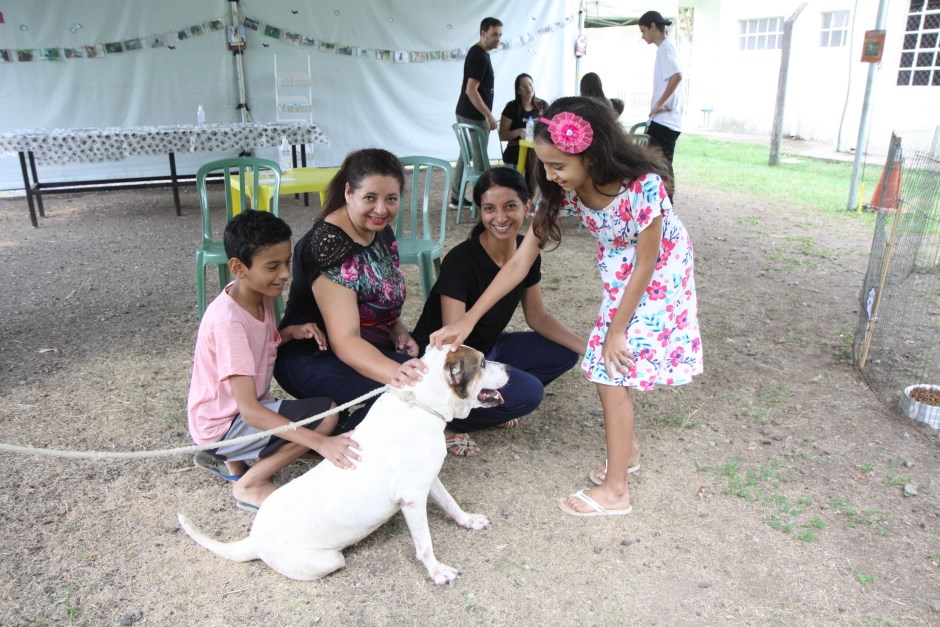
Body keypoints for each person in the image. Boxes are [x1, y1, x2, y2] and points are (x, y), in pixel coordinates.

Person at [430, 97, 702, 516]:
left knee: (610, 367)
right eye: (546, 165)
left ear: (591, 156)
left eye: (559, 166)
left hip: (660, 273)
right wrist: (469, 318)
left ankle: (616, 492)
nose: (551, 175)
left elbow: (648, 262)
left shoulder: (642, 186)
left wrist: (616, 330)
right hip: (620, 270)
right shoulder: (560, 192)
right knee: (603, 363)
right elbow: (520, 261)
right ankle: (625, 452)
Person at [187, 209, 361, 512]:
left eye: (286, 262)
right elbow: (251, 412)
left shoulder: (258, 294)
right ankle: (249, 485)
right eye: (272, 266)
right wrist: (320, 443)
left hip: (230, 416)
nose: (284, 273)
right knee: (327, 415)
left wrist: (290, 332)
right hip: (224, 427)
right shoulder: (230, 323)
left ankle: (236, 466)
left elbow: (259, 345)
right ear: (239, 268)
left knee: (314, 418)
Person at [411, 167, 583, 456]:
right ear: (480, 212)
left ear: (528, 206)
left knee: (564, 352)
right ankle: (450, 426)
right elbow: (456, 352)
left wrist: (590, 349)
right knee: (529, 394)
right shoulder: (462, 260)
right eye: (489, 209)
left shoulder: (527, 254)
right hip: (454, 365)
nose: (500, 218)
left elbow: (538, 317)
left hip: (490, 348)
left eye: (510, 206)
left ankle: (486, 403)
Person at [274, 148, 427, 432]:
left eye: (391, 199)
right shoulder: (328, 245)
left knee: (424, 391)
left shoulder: (380, 229)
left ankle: (339, 427)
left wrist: (398, 331)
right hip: (312, 359)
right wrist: (397, 373)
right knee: (418, 393)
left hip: (363, 349)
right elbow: (344, 341)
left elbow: (380, 296)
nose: (381, 209)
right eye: (370, 197)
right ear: (348, 192)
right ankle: (329, 435)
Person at [450, 17, 503, 208]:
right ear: (483, 33)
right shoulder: (479, 56)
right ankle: (484, 202)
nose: (498, 38)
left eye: (500, 34)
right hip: (472, 116)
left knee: (466, 155)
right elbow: (471, 90)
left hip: (467, 113)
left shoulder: (480, 54)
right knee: (480, 161)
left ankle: (456, 197)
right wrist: (488, 115)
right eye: (494, 34)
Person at [639, 10, 684, 181]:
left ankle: (667, 205)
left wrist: (659, 103)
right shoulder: (666, 48)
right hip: (665, 120)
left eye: (644, 31)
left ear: (653, 26)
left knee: (659, 167)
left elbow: (677, 76)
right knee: (657, 166)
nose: (643, 37)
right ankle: (663, 204)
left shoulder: (665, 48)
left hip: (664, 121)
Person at [498, 73, 548, 169]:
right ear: (518, 91)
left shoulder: (542, 105)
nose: (528, 88)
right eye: (524, 86)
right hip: (516, 153)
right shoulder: (511, 107)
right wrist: (518, 131)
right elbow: (502, 136)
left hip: (538, 153)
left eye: (530, 84)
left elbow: (551, 126)